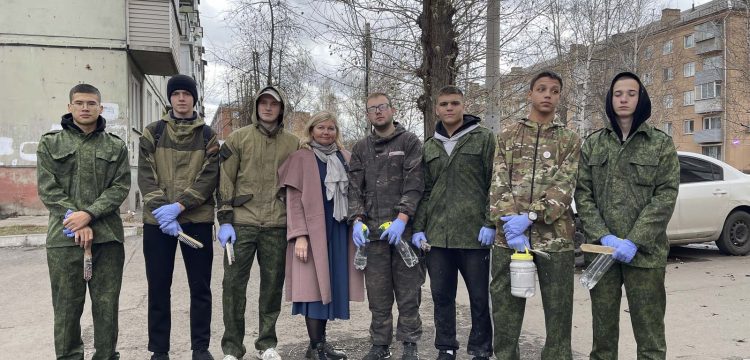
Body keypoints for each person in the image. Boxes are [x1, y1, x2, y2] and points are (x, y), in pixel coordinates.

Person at [575, 72, 679, 360]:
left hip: (645, 255)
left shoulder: (659, 143)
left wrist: (634, 240)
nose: (623, 99)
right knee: (603, 337)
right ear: (610, 99)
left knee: (650, 336)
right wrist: (604, 236)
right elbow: (583, 195)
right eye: (618, 93)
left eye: (630, 93)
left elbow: (666, 196)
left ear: (641, 98)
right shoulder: (594, 143)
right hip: (603, 253)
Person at [489, 70, 582, 360]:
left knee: (558, 313)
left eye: (554, 91)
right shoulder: (508, 135)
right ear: (530, 94)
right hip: (510, 240)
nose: (547, 95)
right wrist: (509, 223)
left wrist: (530, 217)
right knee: (505, 312)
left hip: (555, 240)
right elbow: (498, 182)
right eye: (541, 89)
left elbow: (565, 187)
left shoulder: (568, 140)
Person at [37, 83, 131, 360]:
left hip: (107, 239)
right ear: (70, 107)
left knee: (106, 307)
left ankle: (106, 355)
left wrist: (88, 214)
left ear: (101, 108)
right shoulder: (51, 143)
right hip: (63, 240)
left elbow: (120, 187)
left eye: (91, 103)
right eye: (79, 103)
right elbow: (47, 188)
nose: (85, 108)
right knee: (66, 308)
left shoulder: (115, 146)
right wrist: (74, 219)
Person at [138, 74, 219, 360]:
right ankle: (159, 350)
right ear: (170, 98)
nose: (181, 98)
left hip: (196, 221)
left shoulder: (208, 135)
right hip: (157, 223)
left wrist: (180, 206)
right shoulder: (153, 133)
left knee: (200, 288)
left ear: (194, 98)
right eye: (176, 94)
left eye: (187, 93)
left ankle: (201, 348)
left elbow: (209, 177)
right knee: (159, 287)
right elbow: (146, 175)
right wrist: (162, 210)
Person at [411, 86, 495, 360]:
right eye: (444, 103)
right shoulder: (429, 146)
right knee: (442, 297)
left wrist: (490, 222)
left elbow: (495, 183)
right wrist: (419, 227)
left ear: (464, 106)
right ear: (436, 109)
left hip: (473, 235)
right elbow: (424, 190)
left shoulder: (483, 139)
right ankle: (446, 347)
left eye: (455, 103)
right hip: (438, 236)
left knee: (479, 298)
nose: (449, 108)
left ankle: (481, 349)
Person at [217, 86, 300, 360]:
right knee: (232, 286)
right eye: (263, 103)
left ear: (281, 109)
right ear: (256, 107)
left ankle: (267, 344)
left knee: (272, 285)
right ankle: (232, 347)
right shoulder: (238, 139)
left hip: (277, 224)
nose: (268, 108)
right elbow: (225, 179)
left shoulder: (293, 143)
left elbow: (299, 184)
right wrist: (225, 219)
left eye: (273, 104)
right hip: (242, 223)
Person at [277, 111, 365, 360]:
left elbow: (357, 194)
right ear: (311, 130)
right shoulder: (301, 158)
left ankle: (320, 344)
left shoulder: (345, 157)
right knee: (313, 289)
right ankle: (315, 347)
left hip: (338, 230)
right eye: (321, 128)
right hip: (312, 232)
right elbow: (293, 202)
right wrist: (299, 235)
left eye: (331, 128)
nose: (326, 133)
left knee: (330, 288)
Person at [348, 92, 425, 360]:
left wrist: (402, 219)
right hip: (374, 236)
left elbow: (415, 183)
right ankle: (380, 344)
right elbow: (354, 189)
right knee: (379, 296)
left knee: (408, 293)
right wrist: (357, 220)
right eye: (372, 109)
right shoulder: (360, 148)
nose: (378, 112)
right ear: (367, 115)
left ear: (392, 109)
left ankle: (409, 344)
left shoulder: (410, 142)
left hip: (403, 234)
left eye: (382, 107)